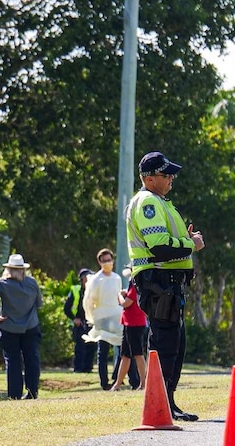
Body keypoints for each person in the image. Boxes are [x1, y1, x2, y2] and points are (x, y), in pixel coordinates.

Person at [125, 151, 205, 421]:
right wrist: (190, 245)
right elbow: (159, 247)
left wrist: (186, 239)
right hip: (158, 280)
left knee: (175, 343)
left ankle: (167, 401)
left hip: (168, 282)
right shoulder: (148, 202)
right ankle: (160, 403)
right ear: (148, 179)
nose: (171, 178)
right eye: (165, 174)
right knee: (165, 342)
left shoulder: (160, 201)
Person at [0, 254, 43, 400]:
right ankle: (32, 392)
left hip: (9, 327)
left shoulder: (2, 284)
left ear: (8, 269)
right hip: (31, 326)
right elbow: (39, 303)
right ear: (23, 269)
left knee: (13, 360)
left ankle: (14, 394)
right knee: (32, 359)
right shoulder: (32, 283)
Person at [81, 248, 123, 390]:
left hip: (116, 316)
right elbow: (88, 300)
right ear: (99, 262)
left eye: (109, 260)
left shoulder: (116, 278)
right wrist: (93, 317)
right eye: (104, 260)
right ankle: (104, 382)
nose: (107, 263)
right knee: (103, 351)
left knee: (122, 347)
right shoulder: (96, 279)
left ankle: (118, 377)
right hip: (101, 318)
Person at [109, 275, 146, 392]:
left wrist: (119, 296)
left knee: (138, 354)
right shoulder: (132, 286)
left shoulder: (136, 286)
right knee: (125, 355)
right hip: (128, 323)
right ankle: (117, 384)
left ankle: (144, 383)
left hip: (135, 323)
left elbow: (126, 303)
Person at [63, 268, 96, 373]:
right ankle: (78, 369)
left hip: (92, 321)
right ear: (81, 279)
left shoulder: (94, 290)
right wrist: (74, 319)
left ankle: (88, 368)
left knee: (92, 345)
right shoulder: (75, 290)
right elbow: (67, 308)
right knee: (80, 347)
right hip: (80, 322)